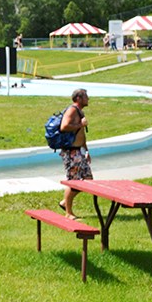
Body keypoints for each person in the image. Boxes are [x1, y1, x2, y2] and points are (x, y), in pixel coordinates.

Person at [58, 88, 92, 220]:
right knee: (74, 182)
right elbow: (64, 126)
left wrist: (86, 150)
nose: (88, 98)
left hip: (79, 151)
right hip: (71, 152)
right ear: (78, 98)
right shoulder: (72, 110)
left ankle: (64, 202)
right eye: (85, 96)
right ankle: (68, 213)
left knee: (88, 180)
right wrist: (80, 124)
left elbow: (81, 134)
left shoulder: (80, 112)